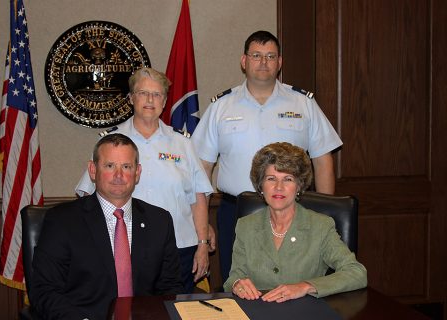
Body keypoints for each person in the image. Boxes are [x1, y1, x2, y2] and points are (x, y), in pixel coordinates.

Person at [191, 30, 343, 282]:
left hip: (294, 210)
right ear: (244, 61)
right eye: (257, 56)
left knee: (294, 282)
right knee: (238, 284)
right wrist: (203, 223)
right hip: (236, 210)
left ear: (280, 62)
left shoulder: (303, 104)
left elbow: (323, 160)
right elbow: (202, 167)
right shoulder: (221, 107)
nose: (264, 62)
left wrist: (324, 213)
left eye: (270, 56)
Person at [75, 67, 214, 293]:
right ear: (131, 98)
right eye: (143, 93)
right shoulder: (111, 142)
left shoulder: (183, 143)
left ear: (165, 101)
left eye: (157, 94)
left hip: (180, 248)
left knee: (175, 311)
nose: (150, 100)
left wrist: (202, 245)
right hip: (124, 248)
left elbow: (197, 197)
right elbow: (86, 195)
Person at [30, 134, 184, 320]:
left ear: (137, 172)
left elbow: (170, 287)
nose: (119, 175)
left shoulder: (160, 221)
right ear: (93, 170)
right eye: (110, 166)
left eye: (126, 167)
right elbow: (45, 290)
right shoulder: (62, 221)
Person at [224, 142, 367, 301]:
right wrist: (237, 284)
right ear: (261, 186)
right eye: (271, 178)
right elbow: (235, 276)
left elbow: (356, 272)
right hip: (258, 311)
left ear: (299, 186)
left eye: (288, 179)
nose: (279, 187)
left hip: (304, 312)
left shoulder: (320, 226)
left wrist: (306, 286)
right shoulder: (246, 226)